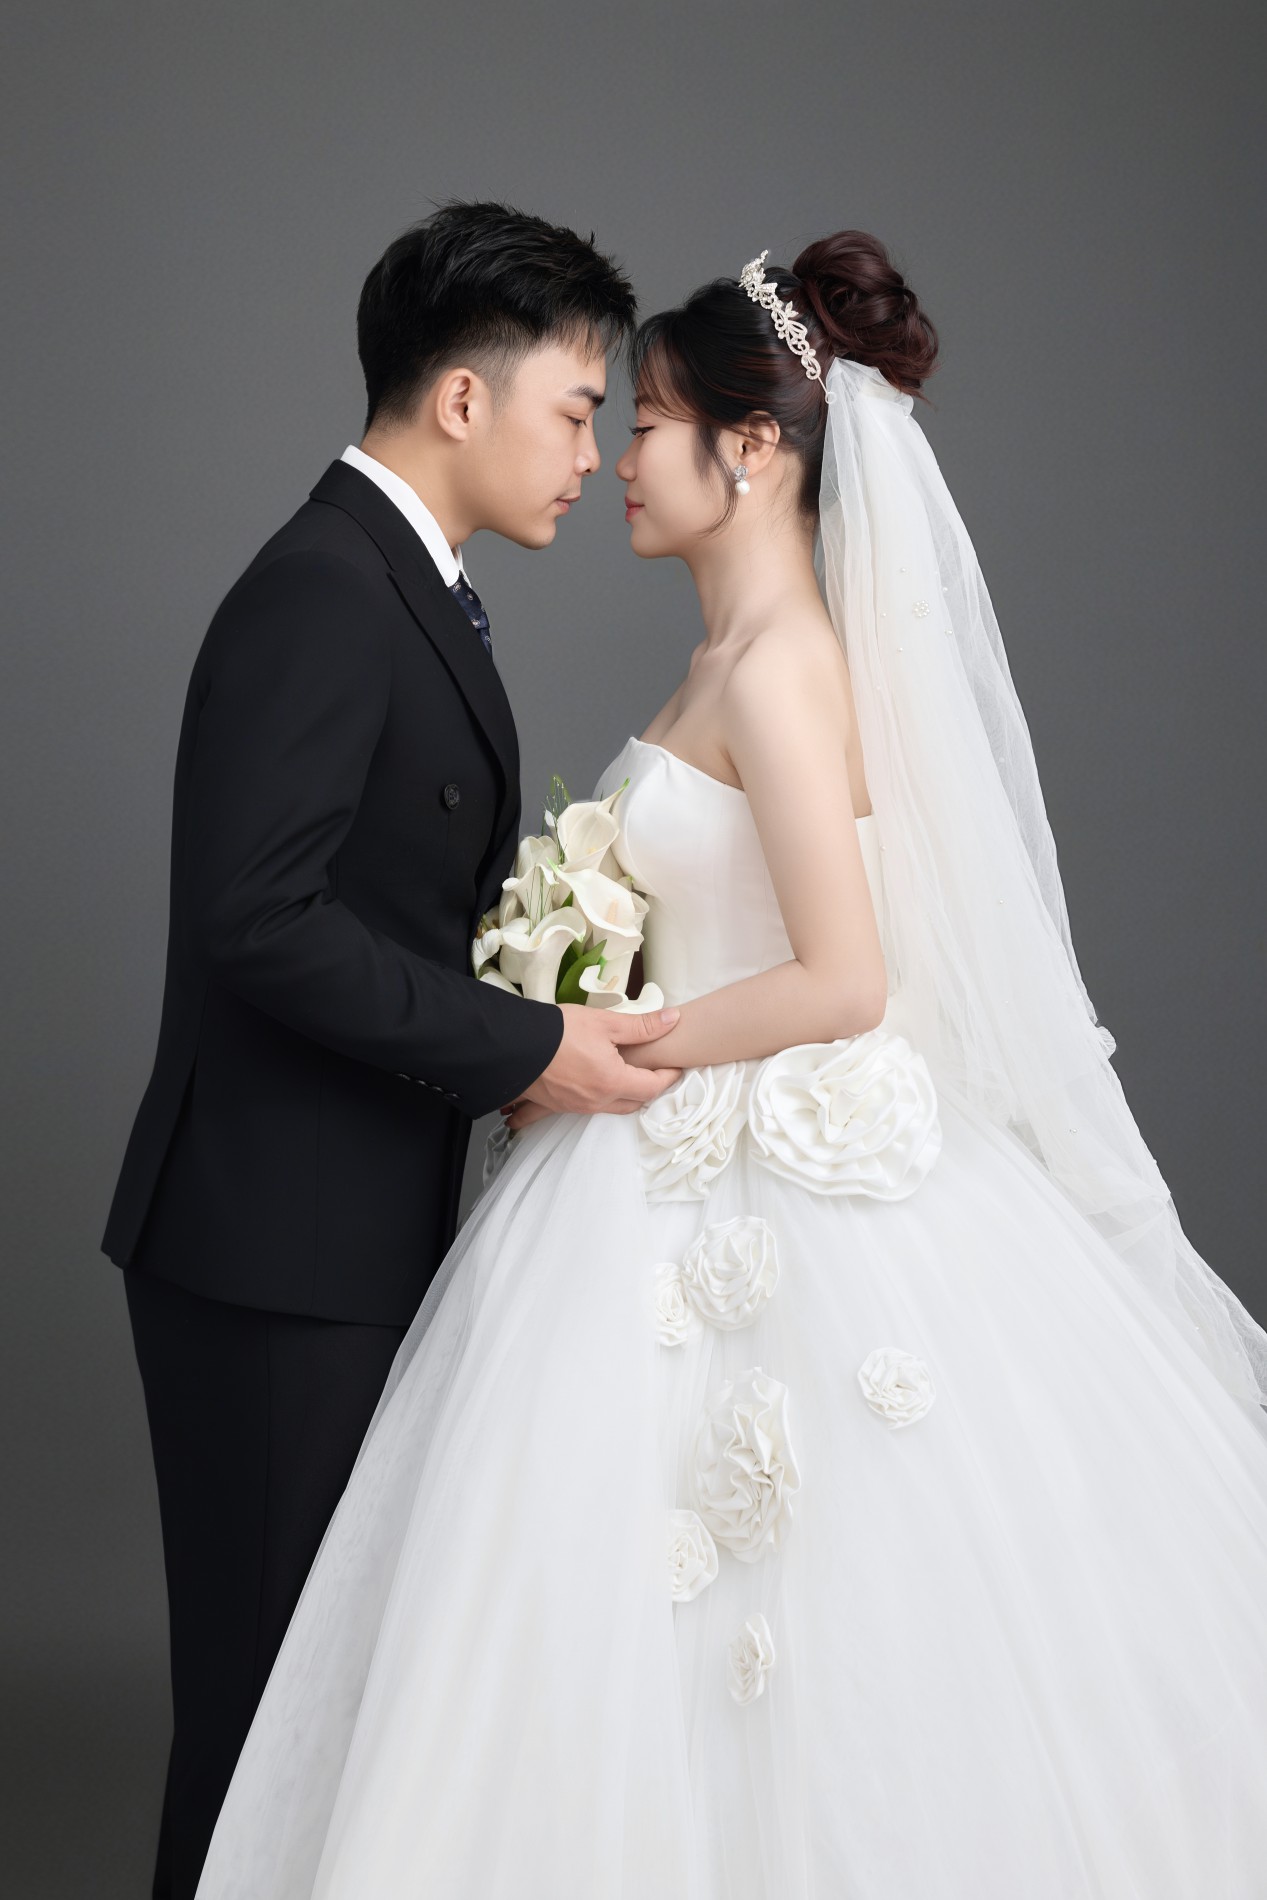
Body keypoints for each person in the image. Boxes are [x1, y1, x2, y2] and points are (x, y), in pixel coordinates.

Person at [194, 232, 1267, 1899]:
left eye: (647, 425)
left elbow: (847, 977)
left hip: (730, 1147)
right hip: (647, 1145)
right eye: (604, 420)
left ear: (754, 449)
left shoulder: (775, 669)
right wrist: (562, 1017)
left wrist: (607, 1042)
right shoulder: (720, 657)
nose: (618, 457)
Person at [101, 200, 685, 1900]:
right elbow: (257, 918)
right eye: (576, 411)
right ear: (461, 397)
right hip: (269, 1253)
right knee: (260, 1722)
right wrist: (525, 1045)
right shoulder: (324, 588)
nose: (592, 454)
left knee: (322, 1722)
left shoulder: (406, 585)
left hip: (345, 1236)